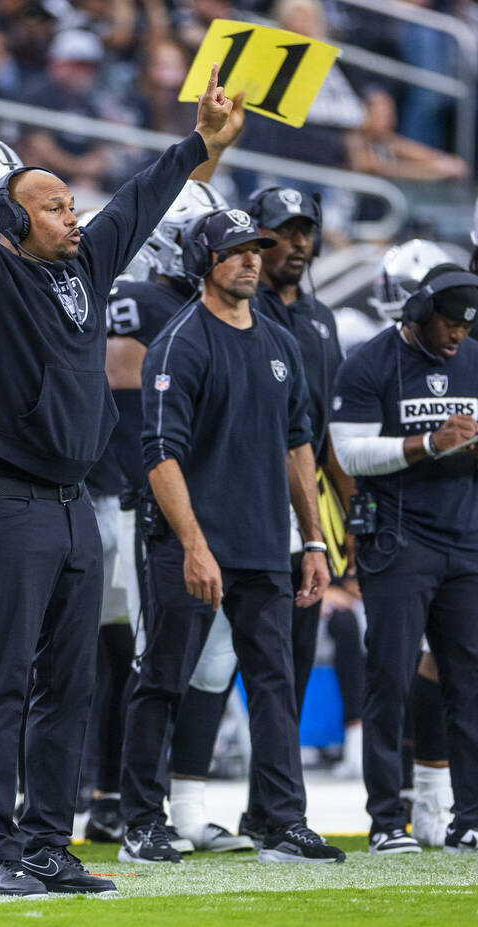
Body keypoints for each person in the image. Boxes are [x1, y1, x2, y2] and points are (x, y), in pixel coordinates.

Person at [0, 35, 231, 897]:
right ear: (12, 222)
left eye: (67, 203)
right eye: (53, 206)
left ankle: (48, 845)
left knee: (73, 682)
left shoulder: (88, 265)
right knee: (6, 680)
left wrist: (201, 144)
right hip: (8, 503)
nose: (72, 216)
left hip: (74, 506)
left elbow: (136, 199)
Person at [121, 208, 343, 865]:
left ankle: (279, 820)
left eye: (256, 249)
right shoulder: (181, 343)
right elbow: (159, 452)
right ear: (204, 262)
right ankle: (140, 821)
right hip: (187, 545)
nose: (251, 260)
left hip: (264, 546)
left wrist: (310, 539)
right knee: (162, 676)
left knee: (276, 681)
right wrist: (192, 544)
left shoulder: (276, 340)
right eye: (236, 250)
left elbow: (299, 442)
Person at [91, 180, 252, 855]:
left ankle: (186, 805)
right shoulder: (139, 301)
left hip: (215, 508)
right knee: (151, 659)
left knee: (214, 659)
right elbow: (130, 420)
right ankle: (130, 809)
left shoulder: (215, 306)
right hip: (149, 504)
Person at [329, 262, 478, 855]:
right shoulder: (370, 360)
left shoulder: (474, 356)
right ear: (418, 313)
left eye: (466, 329)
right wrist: (428, 444)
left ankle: (468, 816)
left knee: (468, 683)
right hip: (397, 543)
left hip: (466, 540)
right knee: (388, 679)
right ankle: (388, 818)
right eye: (448, 325)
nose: (457, 337)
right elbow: (349, 452)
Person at [235, 185, 350, 842]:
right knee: (202, 664)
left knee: (293, 665)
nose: (300, 242)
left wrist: (338, 525)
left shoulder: (323, 319)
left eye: (307, 229)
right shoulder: (234, 313)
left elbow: (322, 434)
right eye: (285, 231)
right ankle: (151, 804)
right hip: (239, 507)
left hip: (304, 511)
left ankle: (267, 808)